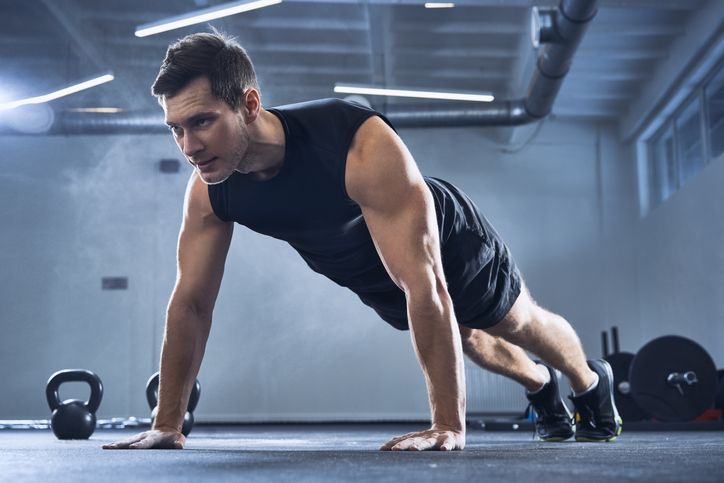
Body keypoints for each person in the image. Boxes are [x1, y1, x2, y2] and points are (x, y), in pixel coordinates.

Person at [103, 31, 621, 452]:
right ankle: (539, 386)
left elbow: (427, 283)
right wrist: (167, 422)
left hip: (443, 238)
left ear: (250, 103)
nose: (189, 146)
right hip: (367, 267)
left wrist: (447, 426)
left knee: (511, 321)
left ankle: (588, 382)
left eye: (202, 122)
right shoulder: (211, 190)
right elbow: (191, 304)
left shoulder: (354, 141)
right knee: (467, 338)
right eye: (176, 129)